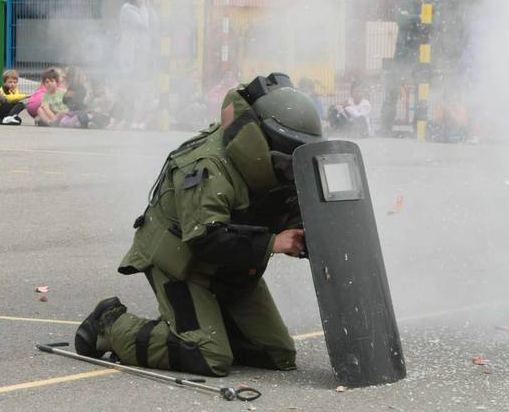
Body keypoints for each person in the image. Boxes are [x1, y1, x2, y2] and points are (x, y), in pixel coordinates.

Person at [74, 75, 323, 377]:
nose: (288, 167)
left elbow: (284, 206)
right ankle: (110, 324)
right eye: (285, 156)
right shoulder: (207, 166)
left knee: (277, 355)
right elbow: (206, 238)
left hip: (233, 269)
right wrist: (275, 243)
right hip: (183, 266)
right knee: (208, 357)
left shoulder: (268, 168)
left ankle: (209, 326)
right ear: (258, 139)